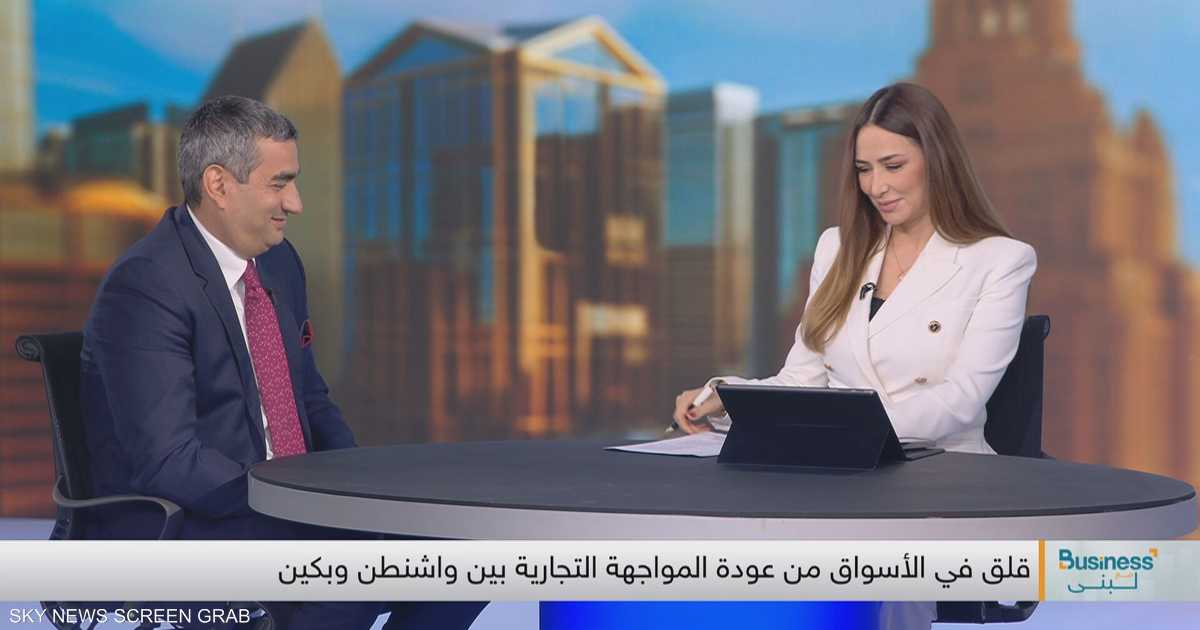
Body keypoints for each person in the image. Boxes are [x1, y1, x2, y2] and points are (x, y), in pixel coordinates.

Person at [80, 95, 483, 629]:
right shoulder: (147, 285)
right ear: (219, 185)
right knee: (350, 573)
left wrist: (360, 488)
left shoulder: (279, 263)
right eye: (279, 183)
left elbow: (309, 398)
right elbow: (169, 460)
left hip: (283, 502)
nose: (295, 203)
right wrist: (297, 503)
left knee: (469, 556)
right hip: (191, 518)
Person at [673, 81, 1037, 455]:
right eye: (864, 169)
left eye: (893, 166)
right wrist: (727, 397)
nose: (876, 187)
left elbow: (961, 399)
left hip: (944, 468)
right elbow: (803, 380)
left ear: (937, 161)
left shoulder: (1001, 260)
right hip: (843, 463)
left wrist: (839, 430)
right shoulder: (836, 248)